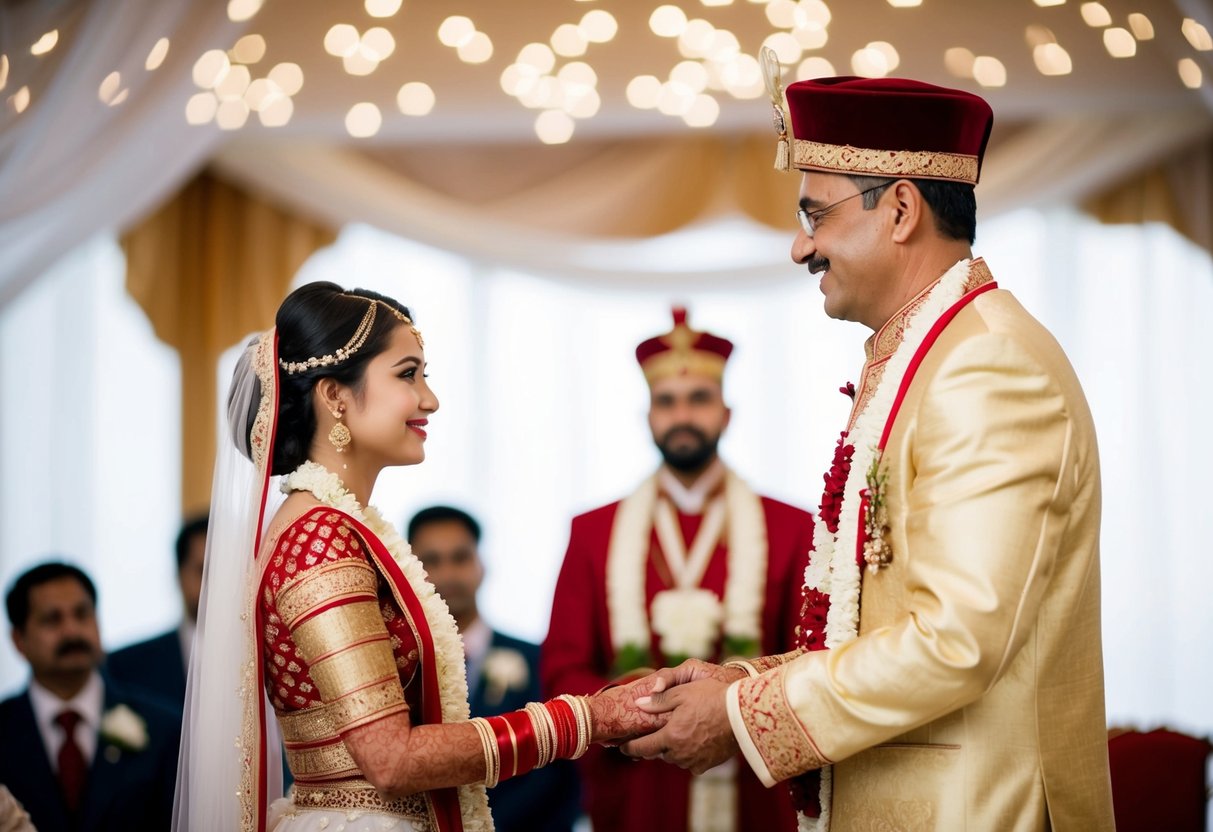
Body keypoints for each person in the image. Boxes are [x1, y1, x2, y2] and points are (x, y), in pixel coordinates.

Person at [621, 63, 1116, 831]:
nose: (799, 247)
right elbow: (882, 624)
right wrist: (739, 680)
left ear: (900, 210)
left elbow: (957, 638)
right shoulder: (927, 354)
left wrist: (743, 712)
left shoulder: (986, 366)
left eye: (814, 214)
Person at [175, 281, 663, 832]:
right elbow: (390, 759)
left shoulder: (334, 526)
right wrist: (586, 718)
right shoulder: (319, 539)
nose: (429, 399)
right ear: (335, 396)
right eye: (408, 375)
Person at [542, 307, 814, 832]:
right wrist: (645, 701)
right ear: (648, 417)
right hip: (638, 788)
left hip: (755, 791)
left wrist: (726, 703)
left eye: (698, 400)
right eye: (666, 402)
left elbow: (808, 660)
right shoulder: (593, 532)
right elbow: (562, 668)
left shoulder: (791, 528)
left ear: (726, 414)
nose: (682, 415)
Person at [407, 505, 581, 832]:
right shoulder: (396, 668)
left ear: (481, 565)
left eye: (460, 557)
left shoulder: (538, 660)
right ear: (411, 572)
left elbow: (561, 769)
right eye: (431, 561)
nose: (447, 574)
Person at [1, 562, 181, 832]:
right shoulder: (4, 728)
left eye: (82, 614)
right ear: (18, 639)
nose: (72, 631)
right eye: (52, 619)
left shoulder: (164, 728)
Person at [106, 513, 207, 710]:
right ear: (179, 575)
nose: (217, 584)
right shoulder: (126, 666)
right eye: (204, 570)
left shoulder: (272, 660)